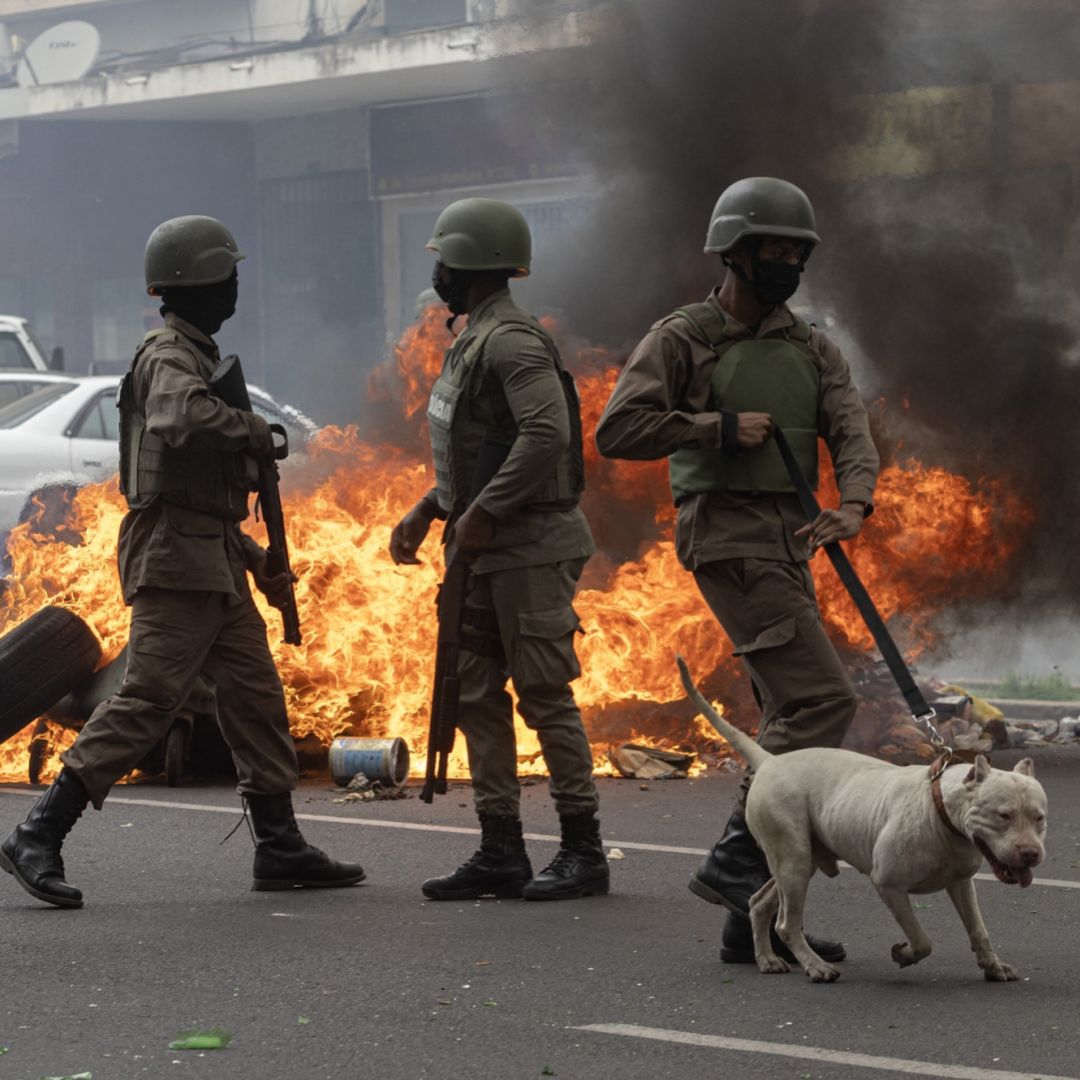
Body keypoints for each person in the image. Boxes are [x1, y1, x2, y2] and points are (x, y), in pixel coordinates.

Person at [0, 215, 365, 909]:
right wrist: (252, 429)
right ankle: (38, 835)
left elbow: (207, 502)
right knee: (147, 698)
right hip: (174, 560)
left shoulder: (193, 354)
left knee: (256, 701)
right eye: (226, 275)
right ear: (197, 283)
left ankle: (280, 844)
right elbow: (178, 421)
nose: (234, 287)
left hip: (211, 556)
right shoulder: (168, 355)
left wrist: (255, 558)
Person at [595, 177, 879, 963]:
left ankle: (749, 922)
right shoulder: (684, 337)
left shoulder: (811, 346)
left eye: (798, 251)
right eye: (773, 249)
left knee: (782, 718)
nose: (787, 262)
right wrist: (712, 427)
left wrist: (854, 502)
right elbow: (619, 429)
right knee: (821, 699)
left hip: (792, 539)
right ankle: (735, 862)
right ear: (735, 252)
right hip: (726, 535)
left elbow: (851, 430)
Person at [390, 197, 608, 902]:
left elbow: (546, 438)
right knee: (477, 692)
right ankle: (500, 847)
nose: (439, 271)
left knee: (544, 694)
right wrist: (430, 509)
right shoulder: (472, 336)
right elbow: (479, 448)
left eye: (444, 259)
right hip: (483, 546)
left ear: (473, 262)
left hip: (530, 547)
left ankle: (583, 850)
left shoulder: (512, 340)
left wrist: (481, 513)